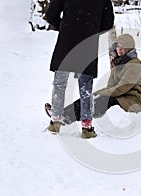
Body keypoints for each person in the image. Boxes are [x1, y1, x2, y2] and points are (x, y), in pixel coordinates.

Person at [46, 34, 141, 138]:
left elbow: (122, 87)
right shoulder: (118, 63)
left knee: (103, 100)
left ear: (129, 49)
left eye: (123, 48)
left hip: (134, 99)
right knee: (91, 98)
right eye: (118, 47)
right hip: (121, 96)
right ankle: (63, 114)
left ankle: (67, 117)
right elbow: (111, 86)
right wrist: (97, 94)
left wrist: (101, 93)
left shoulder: (134, 64)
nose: (119, 50)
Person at [45, 0, 114, 137]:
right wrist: (90, 29)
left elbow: (51, 15)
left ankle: (55, 122)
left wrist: (65, 27)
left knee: (60, 83)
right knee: (85, 88)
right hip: (87, 42)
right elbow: (107, 22)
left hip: (66, 41)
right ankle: (87, 128)